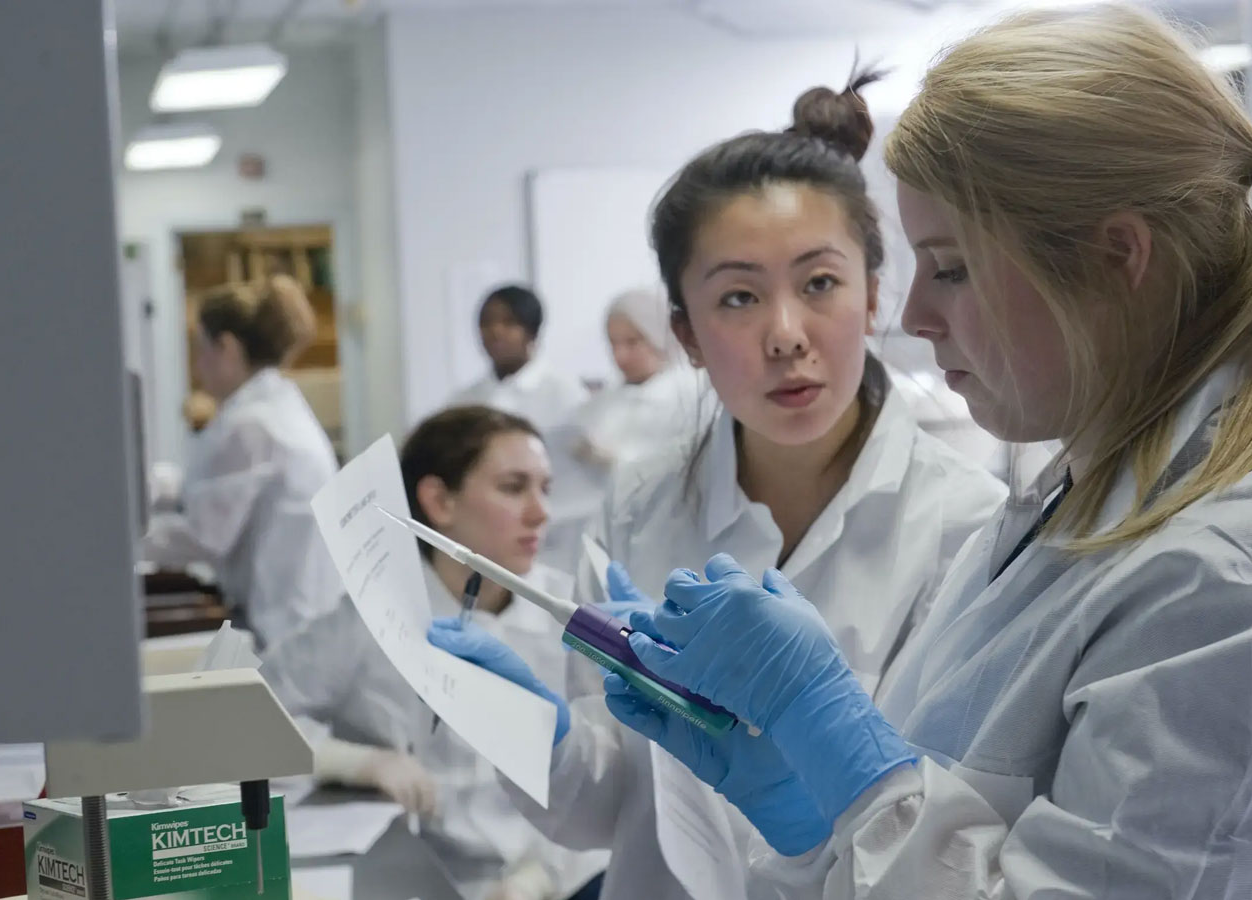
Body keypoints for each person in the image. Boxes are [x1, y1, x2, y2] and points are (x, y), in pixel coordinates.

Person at [592, 7, 1252, 897]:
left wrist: (847, 761)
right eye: (738, 299)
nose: (913, 319)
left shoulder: (1217, 583)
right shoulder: (1068, 492)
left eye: (952, 267)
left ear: (1114, 258)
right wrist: (809, 811)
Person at [430, 71, 1007, 899]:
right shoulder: (642, 501)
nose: (785, 336)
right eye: (738, 297)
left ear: (875, 294)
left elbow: (955, 857)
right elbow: (609, 808)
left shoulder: (967, 528)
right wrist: (536, 732)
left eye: (819, 284)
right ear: (686, 336)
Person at [261, 407, 607, 900]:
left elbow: (608, 782)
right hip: (408, 877)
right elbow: (251, 716)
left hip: (550, 880)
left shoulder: (570, 621)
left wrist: (539, 878)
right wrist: (356, 762)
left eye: (545, 488)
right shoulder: (370, 616)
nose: (541, 512)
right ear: (439, 501)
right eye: (514, 487)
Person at [140, 276, 342, 649]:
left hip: (281, 627)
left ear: (227, 347)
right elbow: (207, 489)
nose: (199, 365)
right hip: (296, 614)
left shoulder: (254, 424)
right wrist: (150, 486)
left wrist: (128, 541)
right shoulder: (271, 405)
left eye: (202, 349)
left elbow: (204, 537)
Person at [573, 287, 701, 470]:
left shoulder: (693, 399)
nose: (619, 356)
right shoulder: (604, 400)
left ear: (660, 338)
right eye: (613, 343)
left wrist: (617, 462)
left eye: (632, 342)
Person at [451, 284, 589, 432]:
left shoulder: (567, 396)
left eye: (509, 323)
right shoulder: (464, 401)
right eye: (486, 322)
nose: (495, 331)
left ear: (532, 332)